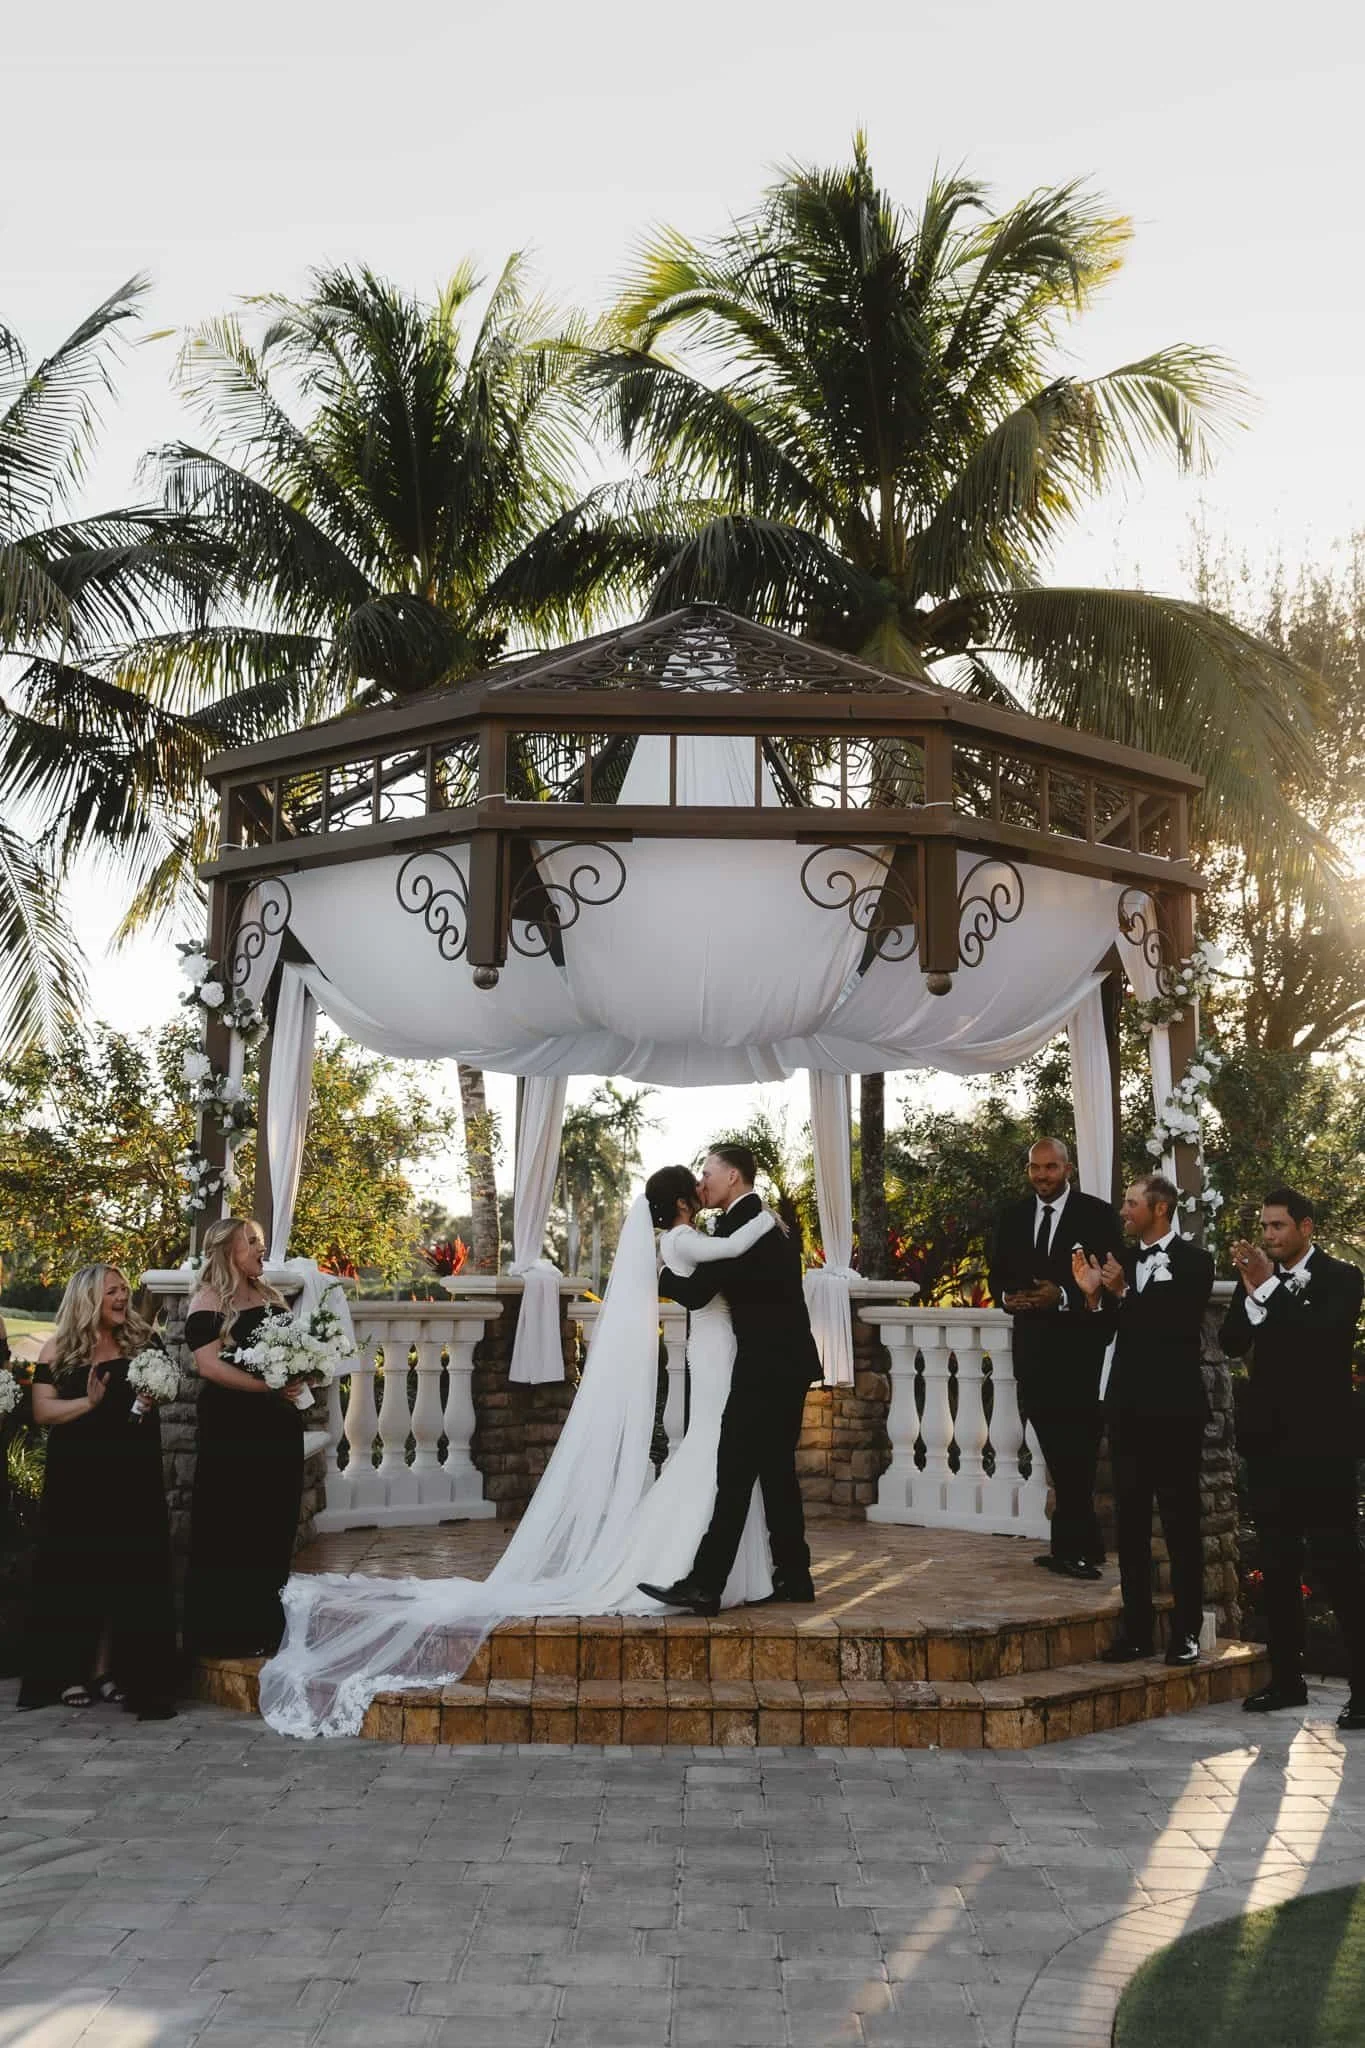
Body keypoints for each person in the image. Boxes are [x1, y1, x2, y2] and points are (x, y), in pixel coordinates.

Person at [258, 1179, 787, 1737]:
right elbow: (721, 1264)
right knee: (714, 1452)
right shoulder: (686, 1240)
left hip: (722, 1352)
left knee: (718, 1455)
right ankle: (704, 1569)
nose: (705, 1187)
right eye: (697, 1183)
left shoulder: (680, 1239)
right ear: (682, 1202)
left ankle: (724, 1571)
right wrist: (765, 1221)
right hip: (718, 1354)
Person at [640, 1144, 823, 1618]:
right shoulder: (767, 1218)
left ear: (735, 1178)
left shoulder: (743, 1224)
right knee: (777, 1472)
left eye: (709, 1173)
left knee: (735, 1470)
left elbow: (699, 1292)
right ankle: (794, 1575)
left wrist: (658, 1275)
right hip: (791, 1362)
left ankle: (705, 1584)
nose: (702, 1182)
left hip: (764, 1366)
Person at [1222, 1187, 1365, 1730]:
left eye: (1278, 1226)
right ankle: (1287, 1681)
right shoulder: (1256, 1278)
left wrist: (1266, 1290)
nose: (1268, 1236)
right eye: (1264, 1226)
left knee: (1338, 1566)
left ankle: (1364, 1690)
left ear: (1305, 1228)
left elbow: (1319, 1339)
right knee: (1277, 1565)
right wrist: (1254, 1294)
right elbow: (1233, 1341)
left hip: (1324, 1446)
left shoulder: (1341, 1279)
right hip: (1270, 1444)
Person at [18, 1265, 177, 1717]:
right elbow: (43, 1411)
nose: (123, 1297)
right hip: (78, 1479)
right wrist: (88, 1404)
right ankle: (70, 1671)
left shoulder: (144, 1343)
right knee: (76, 1569)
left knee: (126, 1571)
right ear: (89, 1298)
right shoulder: (60, 1350)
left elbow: (165, 1388)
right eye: (113, 1291)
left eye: (125, 1289)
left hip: (132, 1475)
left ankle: (111, 1671)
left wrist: (155, 1396)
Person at [1072, 1173, 1214, 1668]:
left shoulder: (1196, 1262)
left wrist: (1125, 1293)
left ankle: (1186, 1634)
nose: (1124, 1209)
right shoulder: (1121, 1262)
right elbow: (1105, 1334)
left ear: (1160, 1209)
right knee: (1129, 1526)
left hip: (1175, 1412)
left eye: (1132, 1203)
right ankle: (1135, 1633)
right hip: (1128, 1409)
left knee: (1180, 1524)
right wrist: (1092, 1296)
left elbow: (1172, 1329)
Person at [987, 1137, 1124, 1580]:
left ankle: (1080, 1550)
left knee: (1078, 1454)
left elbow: (1108, 1276)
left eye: (1050, 1168)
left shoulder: (1097, 1214)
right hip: (1031, 1352)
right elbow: (997, 1272)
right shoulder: (1013, 1216)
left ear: (1068, 1169)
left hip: (1080, 1353)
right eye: (1034, 1168)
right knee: (1055, 1452)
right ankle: (1075, 1546)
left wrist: (1062, 1294)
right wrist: (1008, 1296)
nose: (1041, 1176)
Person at [183, 1217, 307, 1658]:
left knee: (273, 1521)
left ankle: (265, 1626)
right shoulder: (209, 1299)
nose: (261, 1248)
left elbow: (290, 1356)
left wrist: (293, 1381)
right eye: (251, 1242)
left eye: (260, 1241)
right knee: (233, 1521)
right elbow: (209, 1366)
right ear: (227, 1251)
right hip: (234, 1427)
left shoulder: (272, 1296)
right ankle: (224, 1632)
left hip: (277, 1425)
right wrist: (264, 1388)